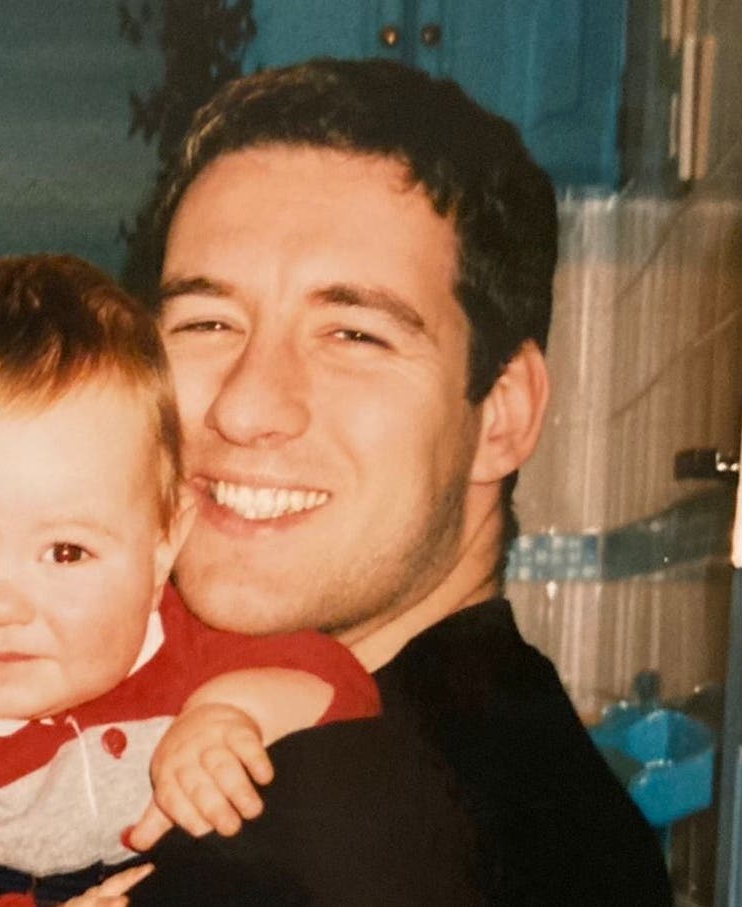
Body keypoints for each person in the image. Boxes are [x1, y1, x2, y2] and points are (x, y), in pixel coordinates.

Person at [122, 58, 673, 906]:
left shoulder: (290, 831)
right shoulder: (511, 760)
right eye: (205, 321)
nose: (244, 406)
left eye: (352, 334)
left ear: (501, 414)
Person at [0, 254, 380, 906]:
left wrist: (233, 709)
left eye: (66, 553)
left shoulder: (186, 642)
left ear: (163, 542)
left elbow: (341, 687)